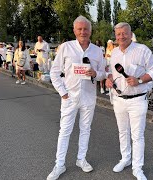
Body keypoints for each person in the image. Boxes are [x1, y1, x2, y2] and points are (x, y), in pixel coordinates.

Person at [47, 15, 106, 180]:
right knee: (65, 131)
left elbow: (103, 73)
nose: (83, 32)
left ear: (90, 31)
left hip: (88, 96)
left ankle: (81, 159)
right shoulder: (66, 47)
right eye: (79, 29)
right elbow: (54, 72)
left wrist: (96, 73)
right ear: (74, 31)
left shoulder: (97, 51)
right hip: (69, 97)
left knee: (85, 129)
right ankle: (59, 164)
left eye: (86, 29)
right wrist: (63, 92)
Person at [105, 22, 153, 180]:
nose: (121, 36)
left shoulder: (142, 50)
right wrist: (109, 80)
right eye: (118, 33)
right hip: (119, 99)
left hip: (137, 100)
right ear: (115, 35)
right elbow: (111, 72)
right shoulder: (114, 52)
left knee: (137, 136)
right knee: (123, 132)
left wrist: (140, 80)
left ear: (130, 33)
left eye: (124, 33)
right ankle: (125, 159)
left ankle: (137, 168)